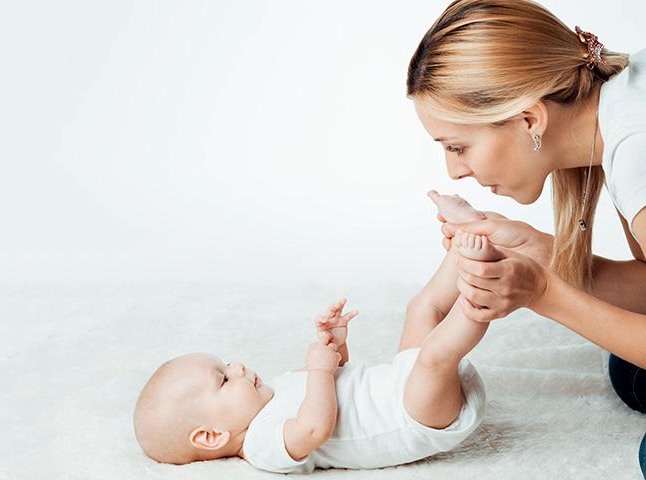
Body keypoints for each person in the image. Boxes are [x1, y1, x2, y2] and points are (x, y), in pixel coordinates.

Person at [406, 0, 646, 475]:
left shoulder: (638, 156)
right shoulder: (621, 99)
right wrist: (541, 252)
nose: (455, 170)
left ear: (531, 120)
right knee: (629, 369)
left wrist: (542, 293)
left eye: (458, 146)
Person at [133, 193, 495, 473]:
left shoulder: (274, 393)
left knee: (420, 309)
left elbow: (341, 390)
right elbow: (313, 430)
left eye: (227, 365)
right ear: (212, 437)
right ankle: (487, 288)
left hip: (401, 384)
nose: (239, 367)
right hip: (412, 416)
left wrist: (337, 347)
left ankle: (468, 240)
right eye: (225, 380)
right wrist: (320, 371)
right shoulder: (261, 444)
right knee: (436, 354)